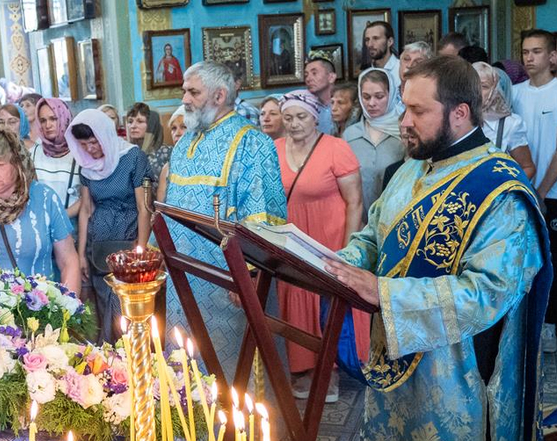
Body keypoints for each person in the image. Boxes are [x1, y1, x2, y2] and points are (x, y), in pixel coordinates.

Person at [326, 55, 551, 441]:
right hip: (399, 368)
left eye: (416, 111)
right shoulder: (411, 169)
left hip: (457, 384)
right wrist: (334, 260)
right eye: (404, 107)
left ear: (459, 112)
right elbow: (376, 237)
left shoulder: (500, 190)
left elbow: (490, 292)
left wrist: (383, 291)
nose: (404, 120)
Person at [164, 61, 286, 376]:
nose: (185, 100)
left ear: (219, 96)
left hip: (226, 281)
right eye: (184, 92)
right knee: (184, 369)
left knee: (233, 374)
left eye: (193, 92)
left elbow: (263, 215)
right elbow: (170, 206)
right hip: (181, 276)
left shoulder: (251, 142)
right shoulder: (184, 145)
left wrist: (249, 271)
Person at [275, 90, 366, 402]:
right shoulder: (274, 149)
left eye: (301, 117)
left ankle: (331, 373)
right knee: (296, 302)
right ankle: (303, 370)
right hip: (292, 240)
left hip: (330, 236)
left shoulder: (336, 148)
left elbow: (355, 202)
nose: (294, 123)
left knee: (327, 304)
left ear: (315, 117)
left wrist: (349, 250)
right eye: (288, 118)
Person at [513, 29, 557, 353]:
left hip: (552, 193)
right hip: (519, 191)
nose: (530, 57)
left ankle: (550, 325)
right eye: (526, 51)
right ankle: (520, 323)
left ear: (552, 55)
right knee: (519, 258)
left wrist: (539, 192)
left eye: (537, 51)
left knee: (552, 259)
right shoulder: (514, 93)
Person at [0, 125, 79, 290]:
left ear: (18, 163)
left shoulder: (45, 198)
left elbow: (68, 261)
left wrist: (69, 308)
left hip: (38, 308)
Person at [65, 109, 152, 343]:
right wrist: (82, 253)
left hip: (129, 242)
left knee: (127, 312)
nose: (91, 149)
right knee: (104, 310)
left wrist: (140, 251)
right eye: (84, 144)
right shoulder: (87, 164)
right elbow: (86, 209)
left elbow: (144, 208)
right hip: (99, 248)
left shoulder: (132, 158)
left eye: (94, 142)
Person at [343, 68, 404, 218]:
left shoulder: (404, 132)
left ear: (390, 96)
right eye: (366, 97)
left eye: (379, 96)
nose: (372, 103)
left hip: (395, 217)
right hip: (359, 219)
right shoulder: (350, 135)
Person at [473, 62, 536, 179]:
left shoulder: (510, 124)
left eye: (484, 86)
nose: (476, 91)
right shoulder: (455, 120)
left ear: (494, 89)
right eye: (472, 84)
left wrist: (505, 192)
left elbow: (528, 168)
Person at [30, 97, 81, 222]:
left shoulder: (80, 153)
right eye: (43, 120)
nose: (48, 125)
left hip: (73, 223)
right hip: (42, 223)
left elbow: (87, 198)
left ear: (64, 118)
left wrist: (61, 216)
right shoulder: (34, 154)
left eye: (53, 119)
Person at [125, 102, 171, 195]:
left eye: (140, 121)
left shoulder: (166, 153)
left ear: (152, 125)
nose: (133, 126)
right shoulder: (125, 153)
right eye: (130, 121)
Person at [155, 107, 188, 204]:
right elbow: (160, 207)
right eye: (174, 128)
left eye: (184, 127)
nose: (177, 133)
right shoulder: (167, 168)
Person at [304, 51, 337, 134]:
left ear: (331, 77)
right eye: (306, 75)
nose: (308, 79)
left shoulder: (345, 105)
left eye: (314, 73)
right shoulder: (306, 108)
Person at [362, 21, 401, 91]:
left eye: (376, 38)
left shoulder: (401, 70)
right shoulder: (365, 74)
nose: (370, 44)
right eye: (367, 39)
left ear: (390, 42)